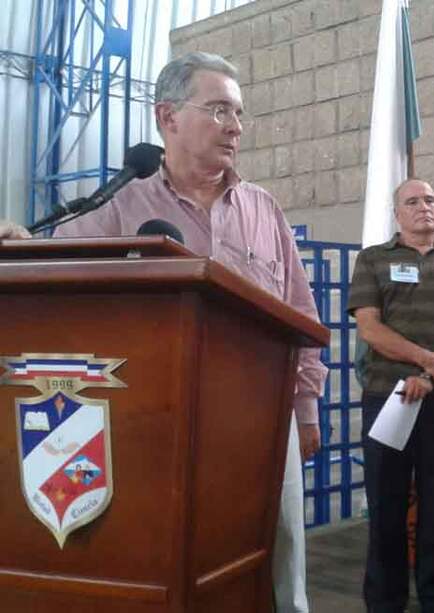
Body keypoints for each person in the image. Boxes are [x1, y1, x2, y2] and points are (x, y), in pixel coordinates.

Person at [2, 52, 326, 613]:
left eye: (240, 113)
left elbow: (301, 312)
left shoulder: (263, 208)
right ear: (168, 117)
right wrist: (21, 246)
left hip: (264, 420)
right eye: (220, 109)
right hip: (163, 428)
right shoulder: (122, 205)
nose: (235, 126)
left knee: (281, 565)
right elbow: (59, 273)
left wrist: (306, 408)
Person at [347, 178, 434, 613]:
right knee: (386, 506)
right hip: (387, 397)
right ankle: (385, 602)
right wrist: (425, 363)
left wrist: (432, 374)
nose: (423, 206)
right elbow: (369, 328)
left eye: (429, 199)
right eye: (412, 201)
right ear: (397, 214)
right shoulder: (372, 260)